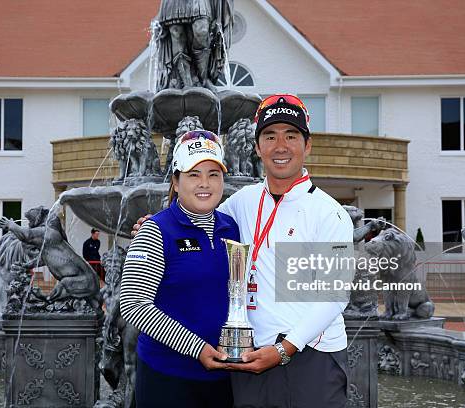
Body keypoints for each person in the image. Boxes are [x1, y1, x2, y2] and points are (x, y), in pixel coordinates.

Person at [133, 94, 354, 407]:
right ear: (256, 147)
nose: (280, 146)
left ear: (307, 146)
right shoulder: (243, 203)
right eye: (270, 136)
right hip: (248, 359)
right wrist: (153, 224)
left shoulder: (328, 213)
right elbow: (197, 213)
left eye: (291, 136)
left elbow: (333, 296)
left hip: (309, 356)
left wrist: (285, 348)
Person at [120, 130, 240, 408]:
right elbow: (133, 304)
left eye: (213, 174)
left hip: (224, 378)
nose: (205, 183)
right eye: (193, 174)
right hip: (168, 377)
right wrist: (196, 349)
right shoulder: (155, 229)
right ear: (176, 180)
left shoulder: (231, 227)